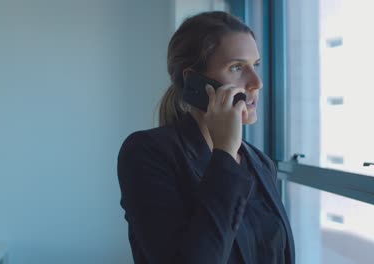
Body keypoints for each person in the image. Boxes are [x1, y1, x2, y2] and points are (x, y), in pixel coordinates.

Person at [117, 11, 295, 264]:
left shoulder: (260, 163)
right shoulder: (146, 153)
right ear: (195, 82)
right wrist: (224, 152)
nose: (256, 82)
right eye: (237, 67)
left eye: (255, 65)